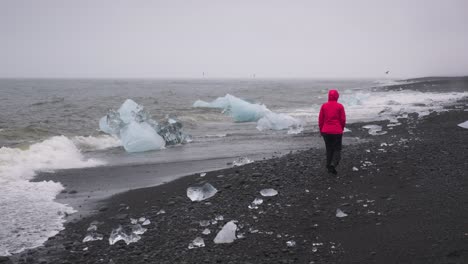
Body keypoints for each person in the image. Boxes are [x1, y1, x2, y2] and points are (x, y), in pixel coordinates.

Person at [318, 89, 346, 175]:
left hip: (326, 131)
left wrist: (321, 130)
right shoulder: (340, 106)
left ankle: (328, 165)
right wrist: (341, 128)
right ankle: (333, 164)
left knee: (329, 149)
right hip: (337, 131)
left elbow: (320, 119)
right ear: (337, 96)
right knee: (337, 149)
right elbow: (343, 119)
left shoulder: (324, 106)